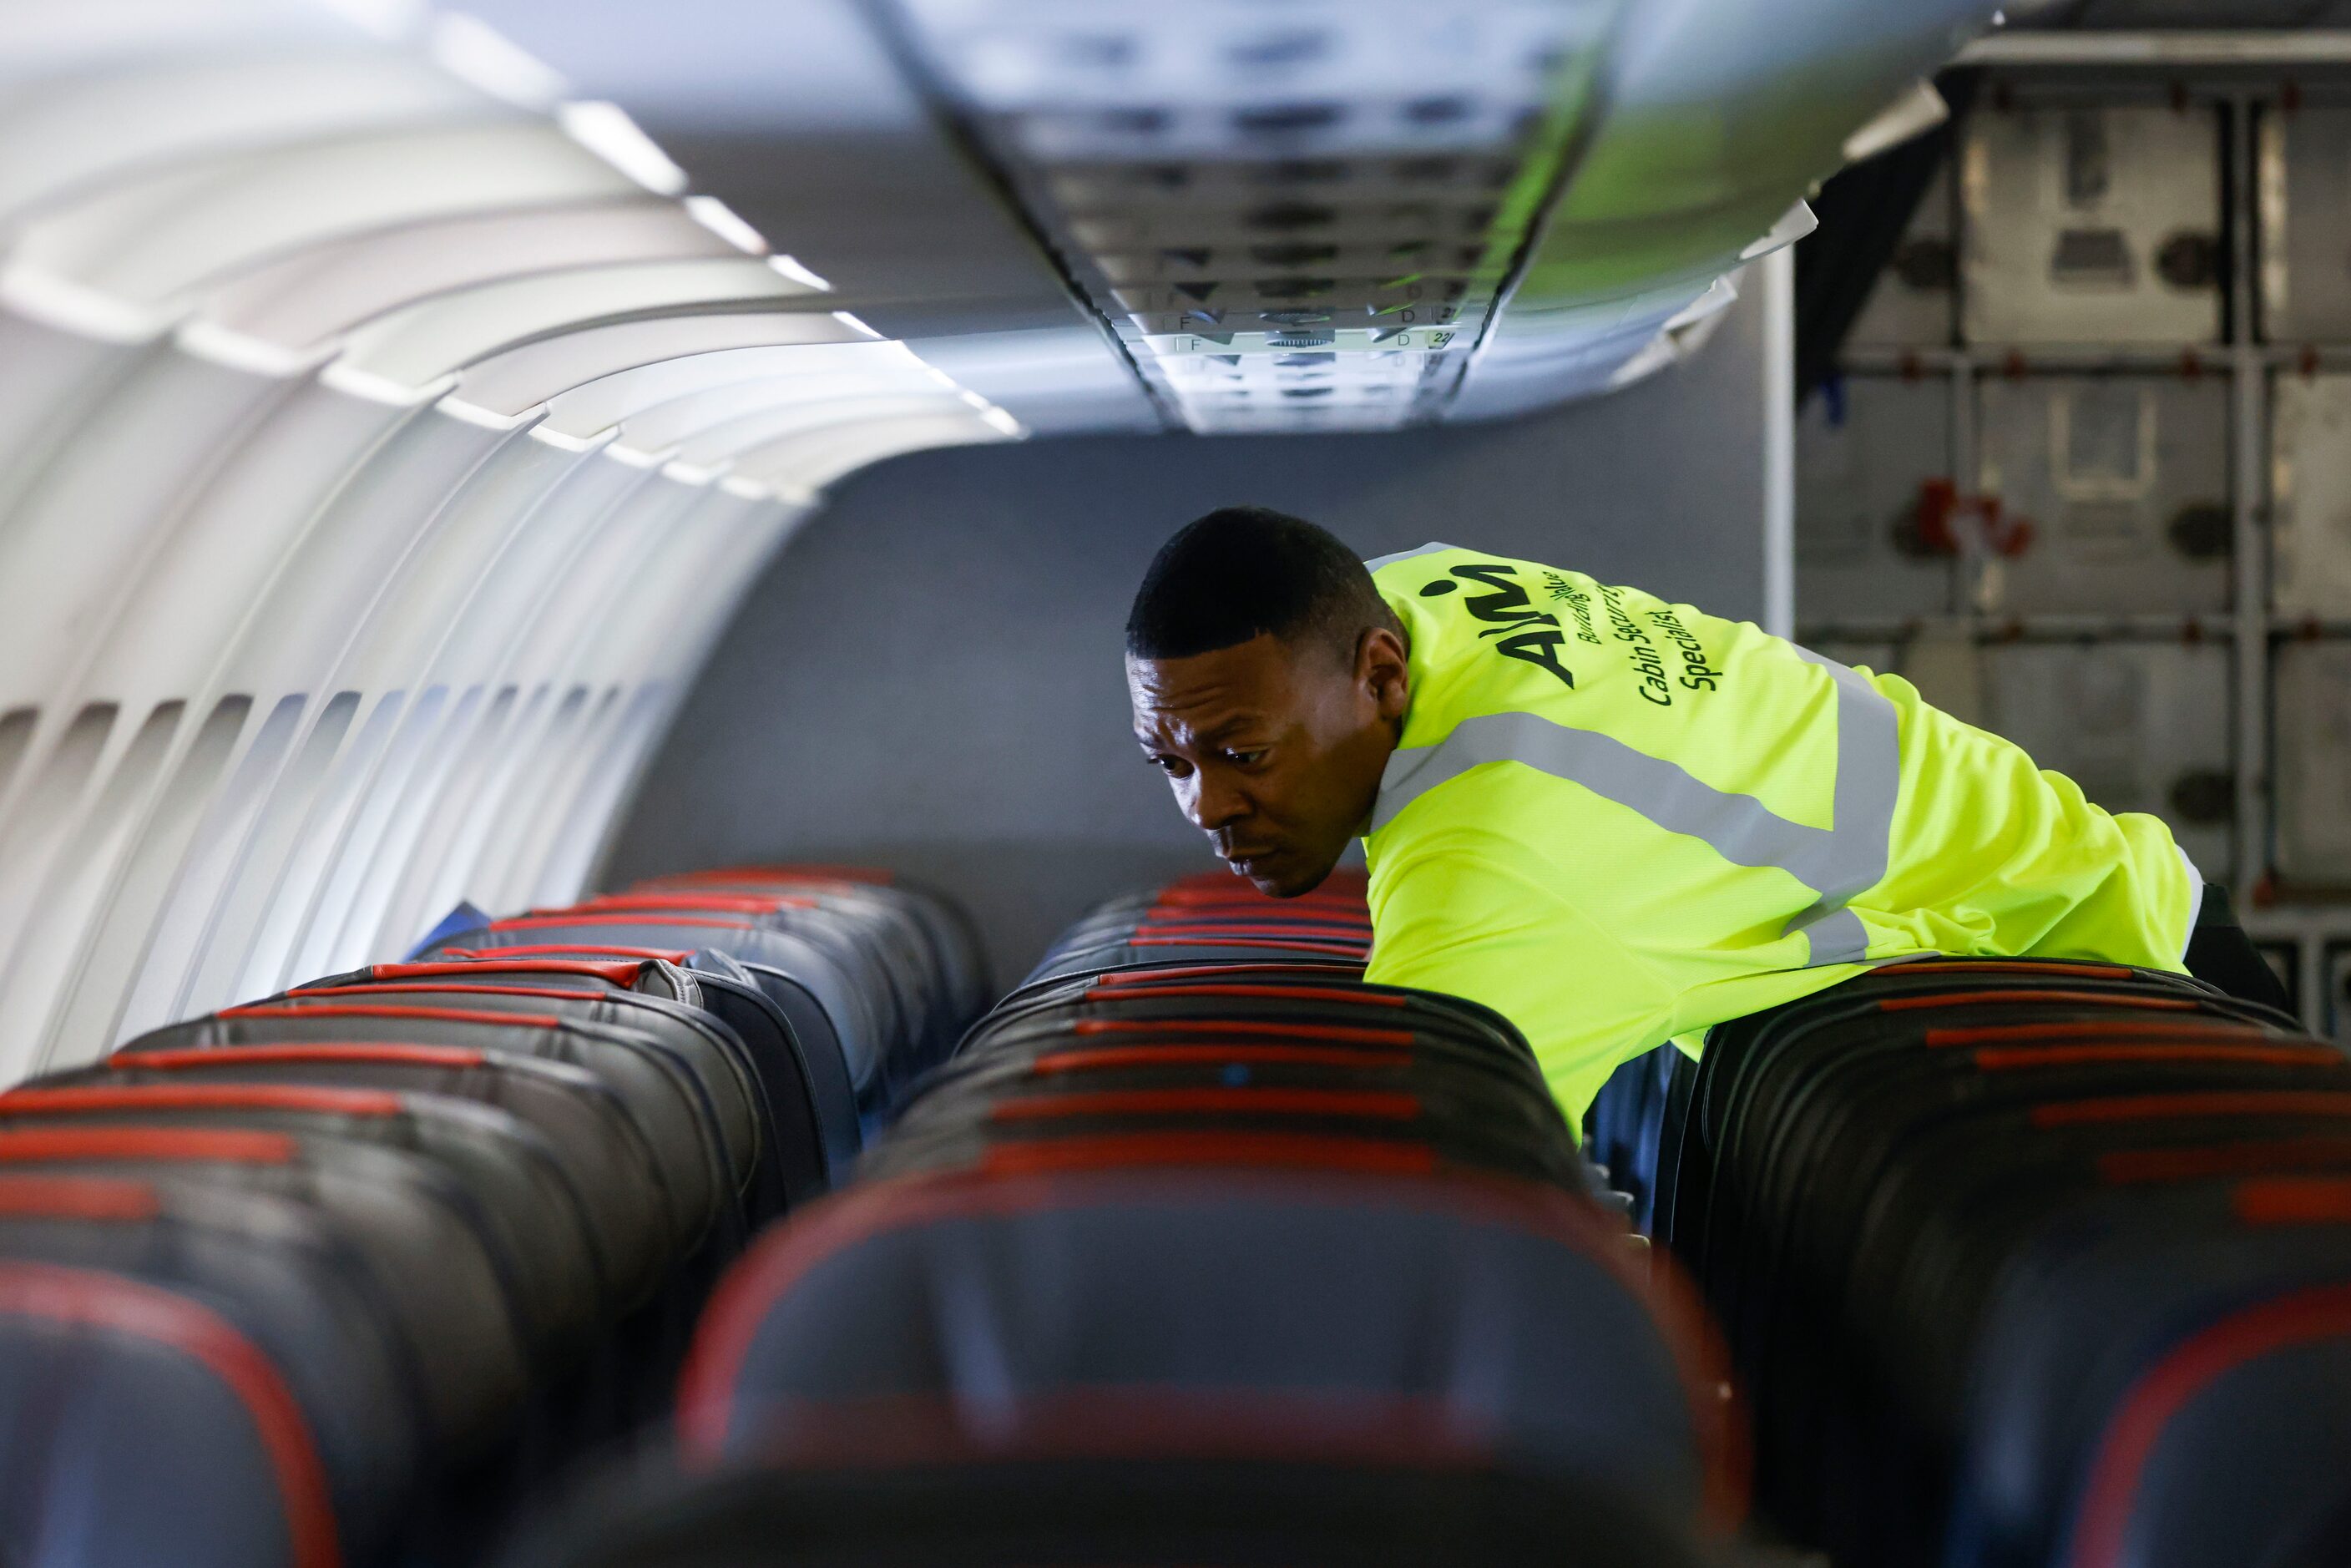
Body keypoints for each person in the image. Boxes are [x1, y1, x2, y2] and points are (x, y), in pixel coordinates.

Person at [1123, 505, 2293, 1125]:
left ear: (1379, 675)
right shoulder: (1412, 590)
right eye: (1168, 757)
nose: (1208, 805)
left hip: (2110, 978)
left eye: (1241, 753)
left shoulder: (1496, 867)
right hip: (2077, 901)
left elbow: (1407, 1186)